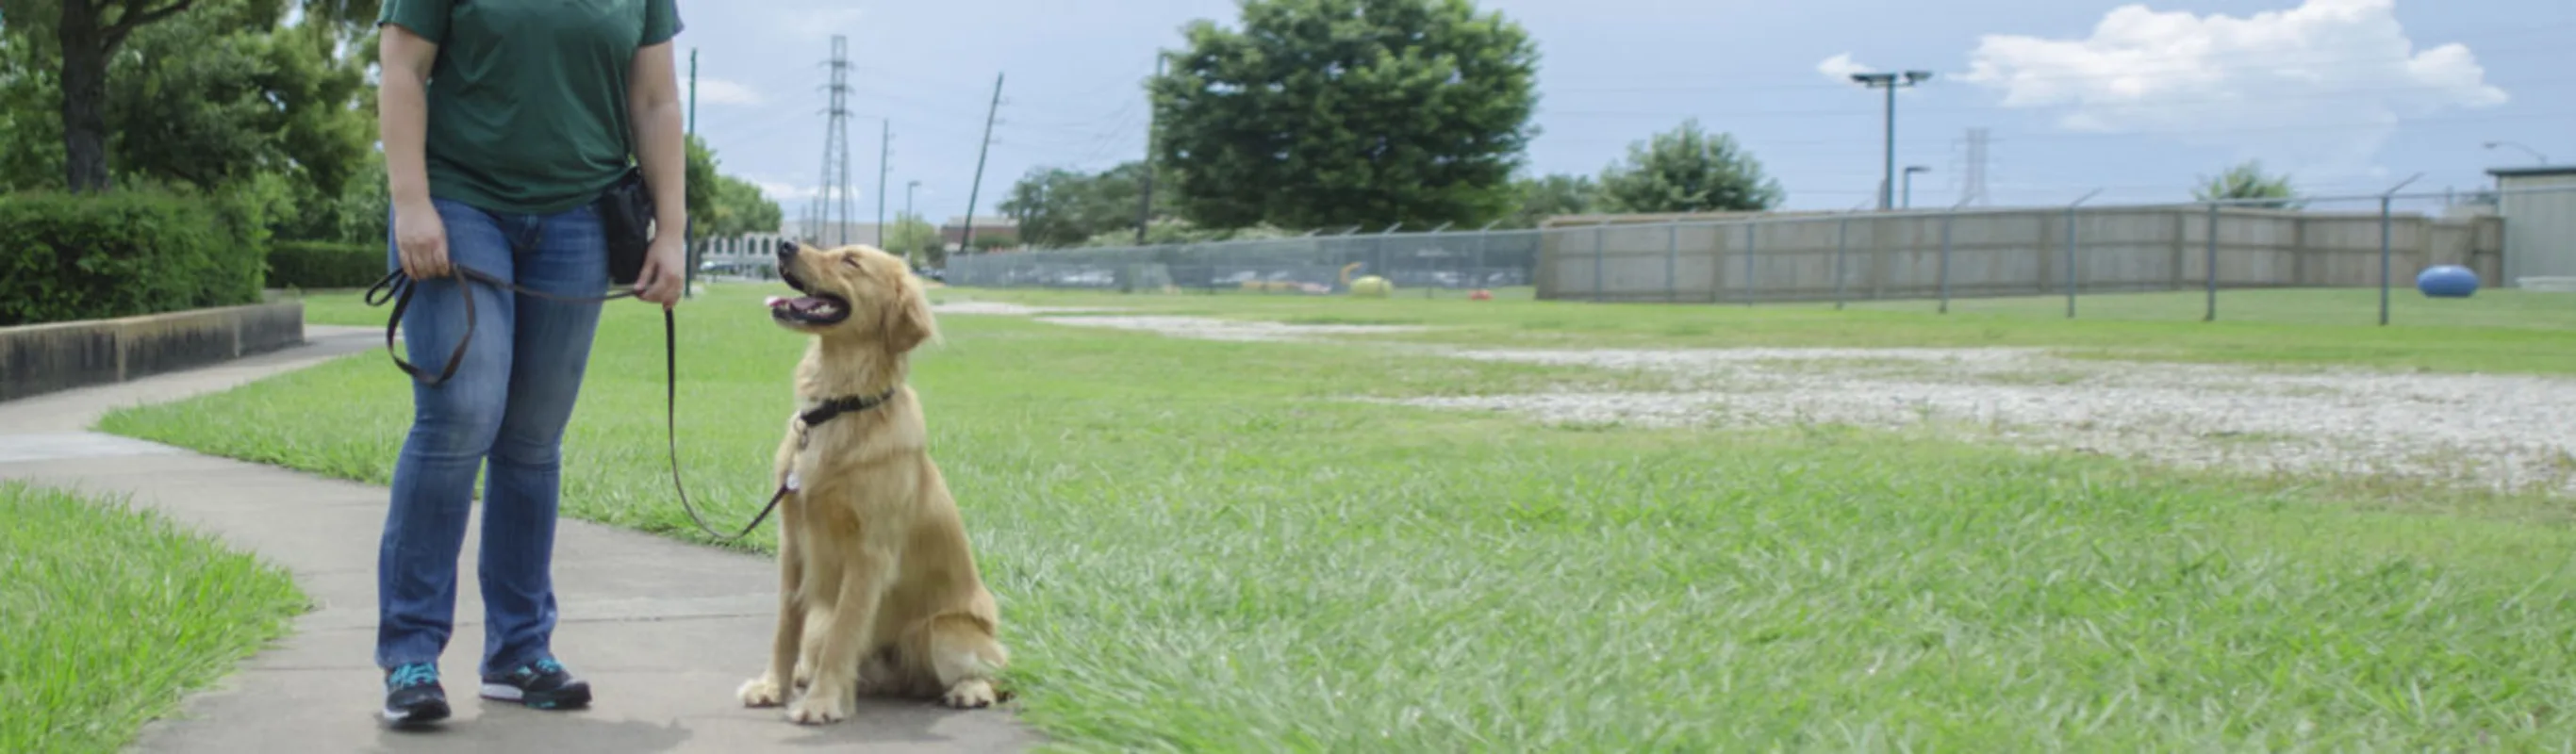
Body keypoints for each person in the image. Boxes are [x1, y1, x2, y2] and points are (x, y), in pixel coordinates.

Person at [371, 0, 688, 727]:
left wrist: (670, 229)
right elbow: (402, 70)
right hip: (459, 206)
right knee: (461, 415)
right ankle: (411, 653)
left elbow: (656, 99)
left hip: (579, 215)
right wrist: (410, 202)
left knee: (533, 436)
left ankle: (518, 653)